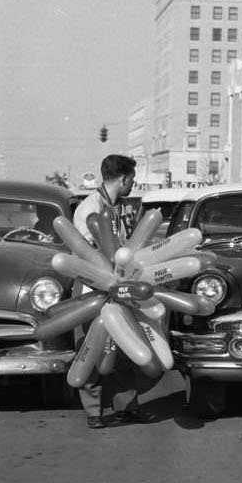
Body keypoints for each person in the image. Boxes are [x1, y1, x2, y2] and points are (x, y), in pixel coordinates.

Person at [72, 153, 150, 428]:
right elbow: (88, 253)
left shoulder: (117, 207)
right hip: (92, 289)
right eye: (132, 180)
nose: (133, 185)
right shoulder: (89, 209)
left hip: (120, 287)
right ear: (124, 178)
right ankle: (94, 411)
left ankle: (126, 406)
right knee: (94, 346)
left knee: (125, 346)